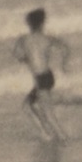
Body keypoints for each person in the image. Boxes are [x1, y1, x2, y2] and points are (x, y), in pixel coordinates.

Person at [12, 10, 71, 144]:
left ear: (28, 24)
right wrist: (64, 65)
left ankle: (62, 138)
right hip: (47, 76)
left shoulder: (23, 39)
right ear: (42, 23)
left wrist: (27, 59)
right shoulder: (47, 38)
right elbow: (65, 48)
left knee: (47, 112)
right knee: (28, 106)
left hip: (41, 79)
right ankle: (47, 134)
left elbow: (17, 56)